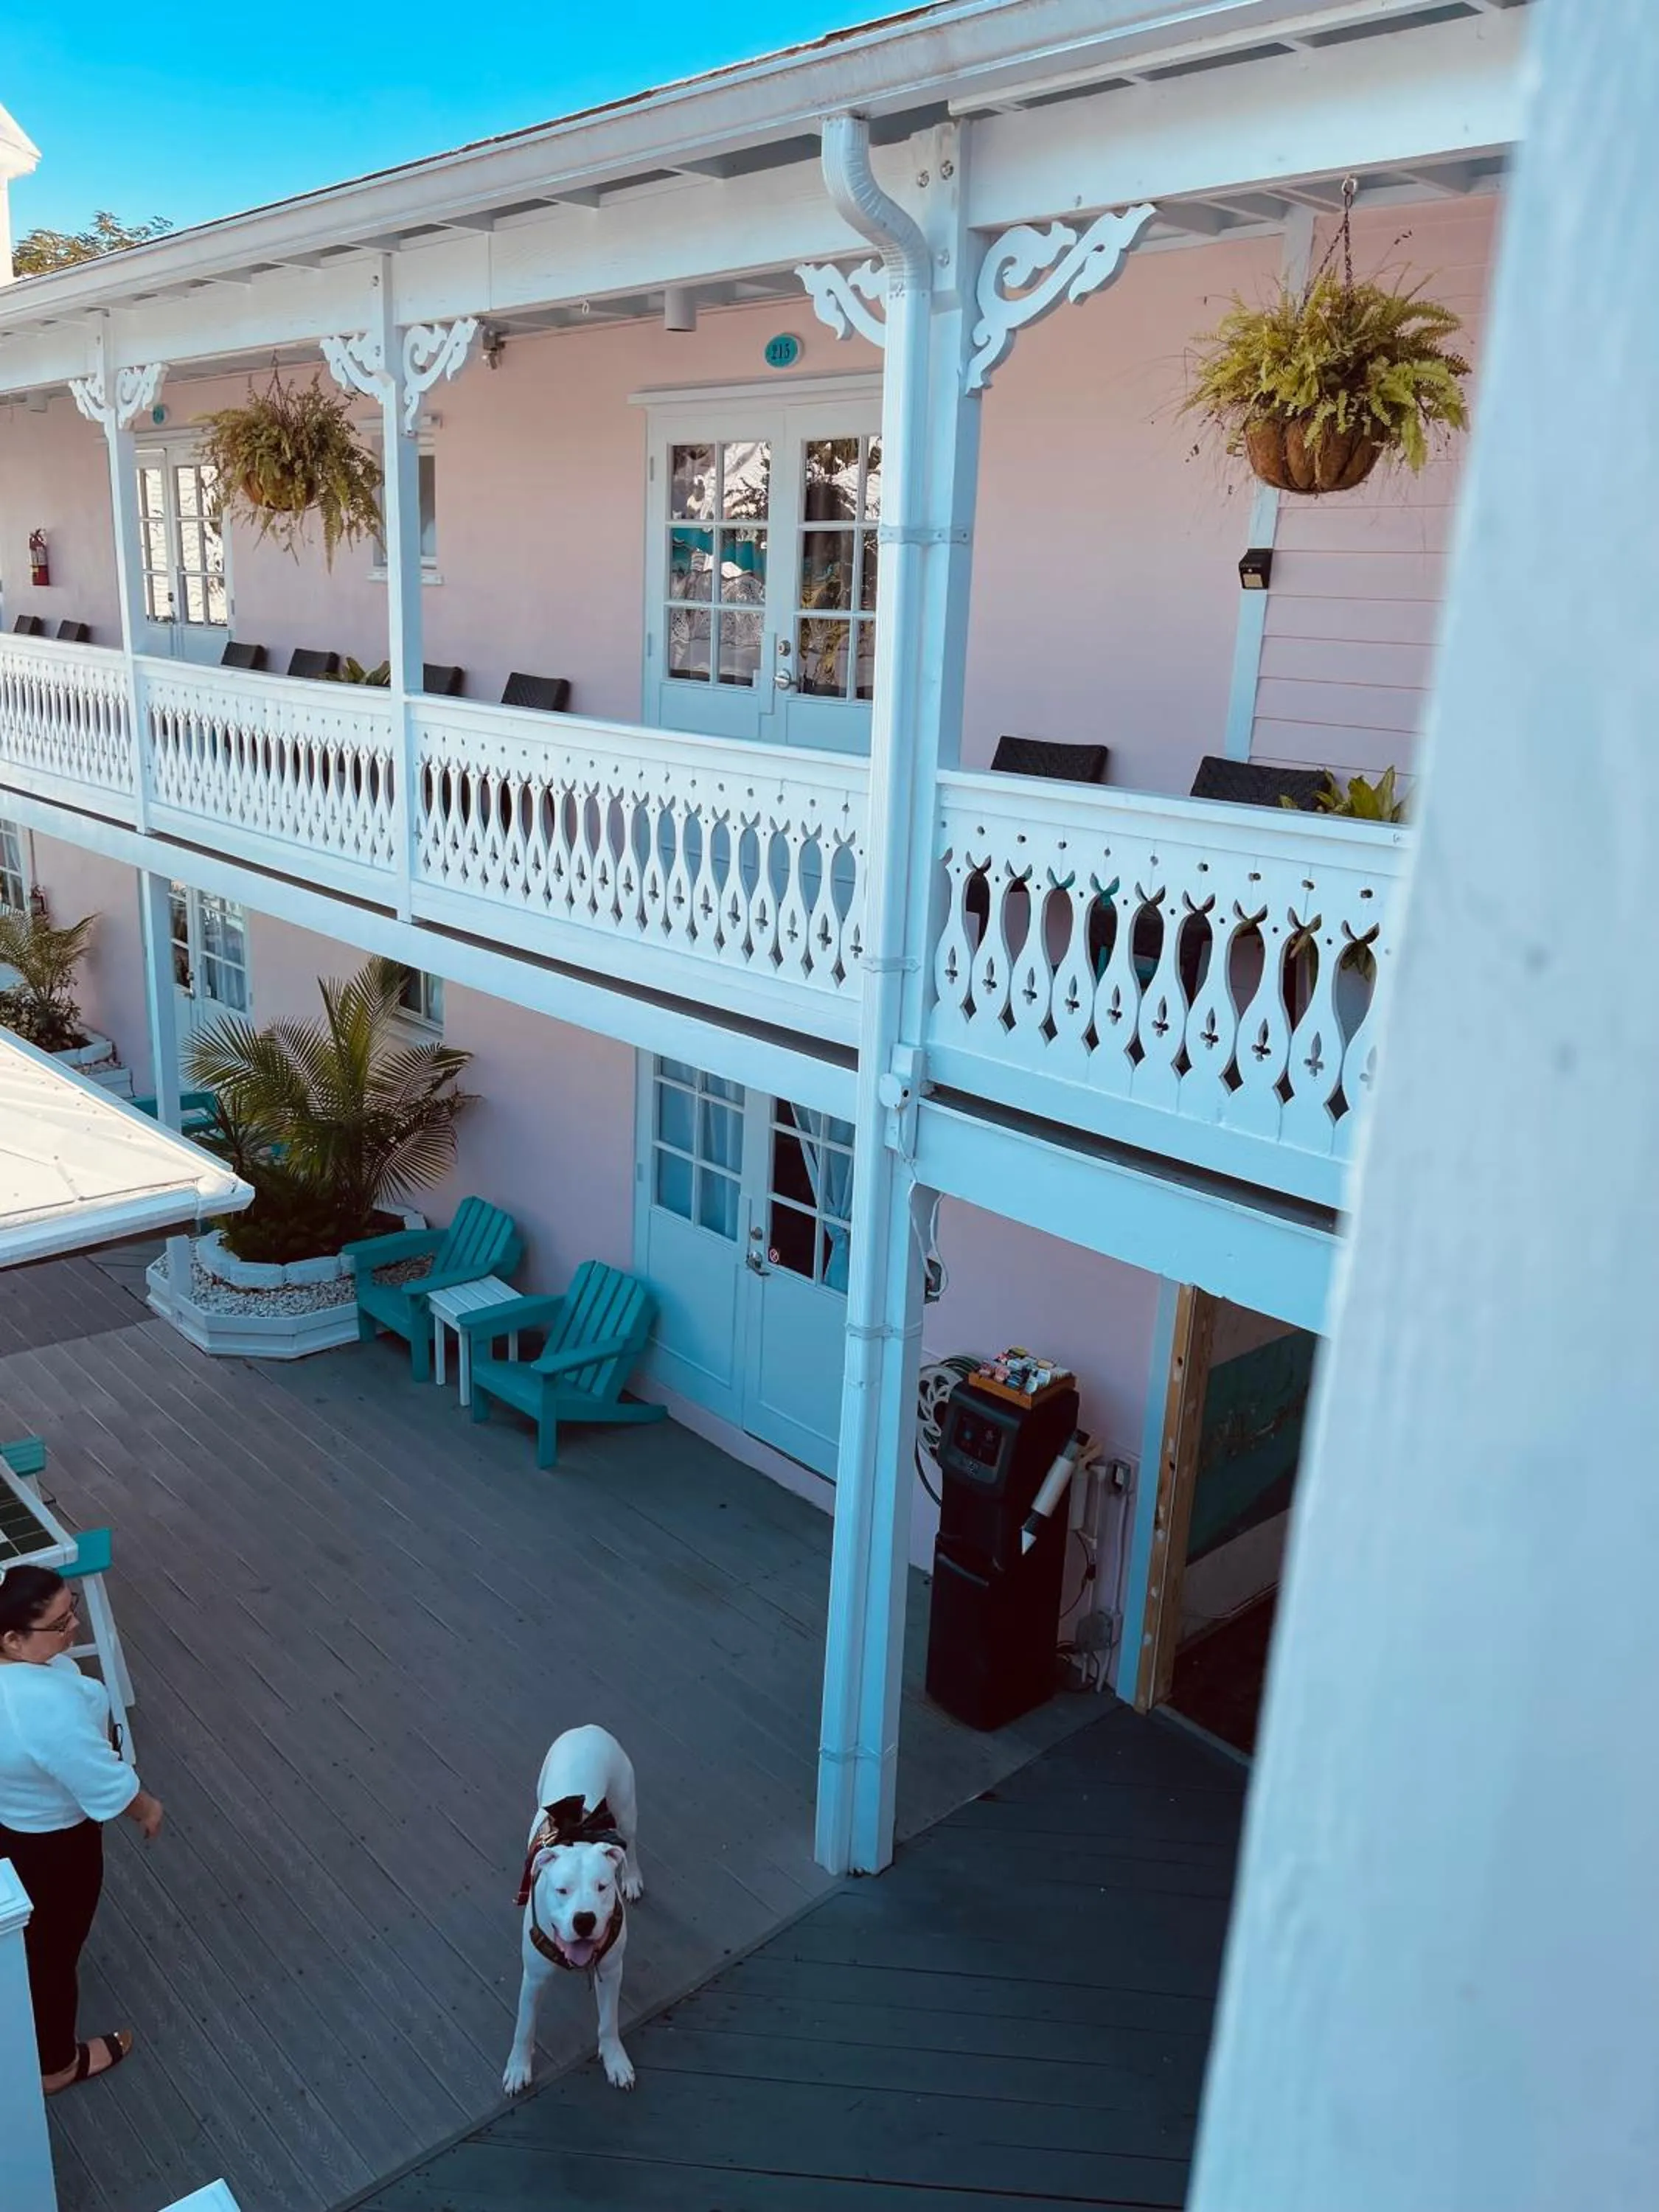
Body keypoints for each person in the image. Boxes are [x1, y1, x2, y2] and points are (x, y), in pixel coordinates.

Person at [0, 1563, 163, 2094]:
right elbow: (97, 1777)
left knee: (29, 1936)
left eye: (71, 1607)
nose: (74, 1624)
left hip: (10, 1818)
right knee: (53, 1951)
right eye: (59, 1622)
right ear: (12, 1639)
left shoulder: (18, 1677)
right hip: (52, 1844)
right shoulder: (41, 1707)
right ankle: (56, 2065)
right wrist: (145, 1808)